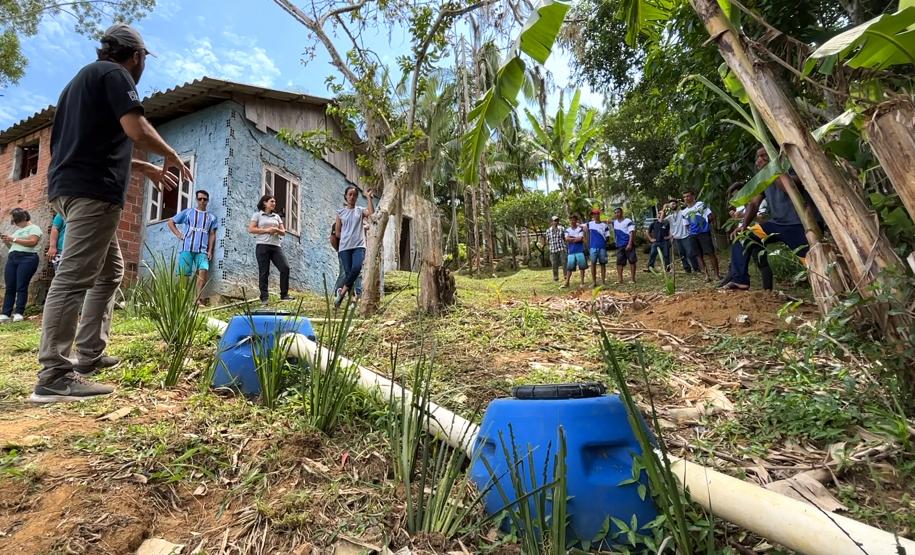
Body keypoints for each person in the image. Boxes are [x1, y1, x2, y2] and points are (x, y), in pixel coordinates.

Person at [30, 24, 191, 403]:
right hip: (93, 194)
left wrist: (143, 166)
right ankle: (53, 375)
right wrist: (169, 152)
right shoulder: (116, 75)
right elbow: (135, 127)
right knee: (73, 278)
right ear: (136, 56)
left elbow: (88, 146)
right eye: (144, 60)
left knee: (110, 272)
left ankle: (89, 354)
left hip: (71, 188)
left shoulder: (78, 84)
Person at [722, 148, 811, 291]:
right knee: (742, 238)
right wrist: (744, 225)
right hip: (776, 224)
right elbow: (754, 203)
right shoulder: (764, 178)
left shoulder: (793, 168)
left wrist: (772, 169)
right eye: (758, 157)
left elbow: (788, 187)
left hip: (798, 224)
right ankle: (740, 280)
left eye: (764, 155)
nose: (760, 159)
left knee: (811, 263)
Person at [167, 189, 217, 299]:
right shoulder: (188, 212)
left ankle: (197, 300)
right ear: (196, 200)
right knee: (184, 275)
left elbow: (212, 234)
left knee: (203, 271)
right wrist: (178, 234)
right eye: (200, 199)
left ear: (207, 201)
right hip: (187, 248)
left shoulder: (211, 217)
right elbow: (171, 222)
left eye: (205, 199)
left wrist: (210, 250)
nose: (202, 201)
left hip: (202, 250)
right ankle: (182, 300)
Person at [1, 209, 43, 323]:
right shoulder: (17, 231)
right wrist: (7, 241)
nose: (16, 224)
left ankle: (19, 313)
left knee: (21, 286)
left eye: (17, 221)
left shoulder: (34, 228)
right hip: (12, 258)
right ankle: (5, 314)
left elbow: (33, 242)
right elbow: (13, 247)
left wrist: (13, 239)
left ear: (24, 218)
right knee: (10, 287)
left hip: (27, 258)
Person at [335, 185, 374, 306]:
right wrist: (348, 236)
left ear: (357, 197)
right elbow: (337, 233)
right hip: (345, 247)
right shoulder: (340, 213)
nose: (352, 197)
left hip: (359, 246)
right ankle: (351, 299)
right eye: (350, 194)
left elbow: (371, 214)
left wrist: (368, 198)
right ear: (346, 196)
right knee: (348, 273)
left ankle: (342, 293)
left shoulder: (360, 210)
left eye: (355, 195)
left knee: (356, 268)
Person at [249, 194, 291, 305]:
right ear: (264, 203)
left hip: (276, 246)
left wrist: (276, 230)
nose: (274, 203)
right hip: (262, 245)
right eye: (271, 201)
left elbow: (283, 232)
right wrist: (267, 230)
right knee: (264, 271)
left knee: (285, 267)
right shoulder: (257, 215)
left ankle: (284, 294)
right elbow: (251, 229)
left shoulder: (276, 217)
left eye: (274, 202)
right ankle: (264, 297)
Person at [682, 190, 720, 281]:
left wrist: (707, 224)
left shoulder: (701, 204)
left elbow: (710, 215)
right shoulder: (684, 212)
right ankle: (706, 276)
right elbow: (686, 224)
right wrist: (691, 232)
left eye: (688, 196)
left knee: (710, 253)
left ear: (693, 196)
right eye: (684, 197)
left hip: (704, 233)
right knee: (698, 255)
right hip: (693, 235)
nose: (686, 198)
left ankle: (716, 275)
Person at [661, 200, 697, 274]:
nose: (672, 205)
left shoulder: (682, 212)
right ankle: (687, 269)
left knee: (690, 253)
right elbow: (661, 221)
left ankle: (696, 268)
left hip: (686, 236)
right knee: (682, 254)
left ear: (677, 204)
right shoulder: (670, 216)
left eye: (674, 204)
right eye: (671, 205)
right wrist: (663, 209)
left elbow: (688, 209)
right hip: (677, 238)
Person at [562, 214, 587, 288]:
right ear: (570, 221)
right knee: (569, 268)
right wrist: (576, 238)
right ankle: (567, 282)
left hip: (580, 250)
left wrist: (571, 238)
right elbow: (567, 239)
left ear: (576, 221)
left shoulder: (580, 229)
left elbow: (580, 238)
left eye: (574, 220)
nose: (572, 221)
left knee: (582, 267)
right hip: (571, 251)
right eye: (571, 220)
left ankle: (582, 282)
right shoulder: (567, 230)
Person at [612, 207, 637, 284]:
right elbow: (607, 222)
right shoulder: (615, 222)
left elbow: (631, 232)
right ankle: (620, 279)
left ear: (622, 212)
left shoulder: (628, 221)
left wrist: (630, 243)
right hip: (620, 245)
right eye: (615, 213)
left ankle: (632, 279)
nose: (617, 214)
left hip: (628, 244)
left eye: (618, 212)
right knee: (619, 262)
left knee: (632, 261)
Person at [587, 208, 610, 286]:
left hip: (602, 247)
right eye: (594, 214)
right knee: (593, 264)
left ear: (599, 214)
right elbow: (581, 228)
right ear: (593, 215)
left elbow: (607, 237)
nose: (596, 215)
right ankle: (594, 282)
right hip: (592, 247)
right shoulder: (589, 224)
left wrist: (604, 242)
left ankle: (603, 282)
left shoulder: (604, 225)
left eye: (597, 214)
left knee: (602, 264)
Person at [545, 215, 565, 282]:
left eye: (557, 220)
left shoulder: (562, 228)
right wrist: (549, 247)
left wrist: (565, 245)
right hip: (553, 249)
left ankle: (565, 275)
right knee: (554, 264)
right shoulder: (548, 231)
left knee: (564, 262)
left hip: (561, 248)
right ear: (552, 222)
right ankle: (555, 277)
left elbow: (564, 237)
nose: (556, 222)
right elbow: (547, 240)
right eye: (555, 221)